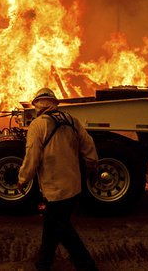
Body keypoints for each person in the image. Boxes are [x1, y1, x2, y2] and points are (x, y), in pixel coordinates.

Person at [17, 87, 99, 271]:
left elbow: (32, 156)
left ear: (37, 105)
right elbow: (89, 147)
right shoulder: (72, 120)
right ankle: (43, 262)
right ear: (54, 104)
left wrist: (23, 179)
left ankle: (87, 265)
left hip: (55, 188)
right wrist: (90, 166)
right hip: (73, 185)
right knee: (52, 223)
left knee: (62, 228)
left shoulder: (38, 125)